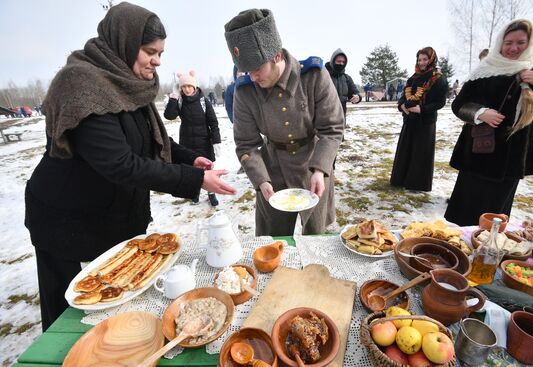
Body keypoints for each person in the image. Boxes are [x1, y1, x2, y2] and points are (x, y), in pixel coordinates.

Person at [24, 2, 236, 331]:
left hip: (108, 209)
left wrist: (186, 157)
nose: (157, 61)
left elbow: (147, 137)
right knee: (72, 313)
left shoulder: (126, 81)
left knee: (117, 293)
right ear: (124, 42)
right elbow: (121, 163)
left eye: (161, 53)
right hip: (64, 217)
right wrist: (194, 179)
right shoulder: (82, 85)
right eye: (150, 51)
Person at [224, 8, 344, 236]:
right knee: (273, 240)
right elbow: (246, 144)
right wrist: (261, 180)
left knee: (317, 237)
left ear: (276, 56)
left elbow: (331, 129)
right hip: (272, 170)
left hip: (313, 164)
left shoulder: (314, 76)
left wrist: (320, 169)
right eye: (246, 71)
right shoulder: (245, 92)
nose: (252, 77)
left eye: (257, 69)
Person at [445, 19, 533, 226]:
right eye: (508, 42)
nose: (513, 48)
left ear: (530, 43)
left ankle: (485, 252)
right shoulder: (486, 69)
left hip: (513, 157)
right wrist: (481, 113)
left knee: (494, 217)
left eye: (520, 42)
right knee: (465, 213)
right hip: (479, 152)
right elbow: (459, 104)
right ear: (500, 42)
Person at [390, 47, 448, 192]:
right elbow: (404, 94)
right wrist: (401, 105)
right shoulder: (413, 77)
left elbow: (440, 102)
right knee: (406, 150)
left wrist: (422, 109)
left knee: (420, 153)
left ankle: (416, 184)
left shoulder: (438, 79)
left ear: (432, 60)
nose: (422, 63)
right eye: (419, 59)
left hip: (425, 121)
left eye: (425, 59)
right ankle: (400, 179)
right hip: (409, 120)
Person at [164, 70, 222, 206]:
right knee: (191, 167)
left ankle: (211, 192)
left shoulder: (204, 101)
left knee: (207, 167)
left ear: (194, 86)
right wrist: (174, 97)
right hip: (187, 140)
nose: (187, 89)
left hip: (204, 141)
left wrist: (216, 140)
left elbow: (213, 122)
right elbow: (169, 115)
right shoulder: (180, 101)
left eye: (189, 86)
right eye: (183, 87)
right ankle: (194, 192)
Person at [325, 49, 361, 118]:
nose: (341, 64)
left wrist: (358, 97)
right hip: (325, 117)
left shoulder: (347, 78)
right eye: (339, 61)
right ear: (333, 61)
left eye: (343, 62)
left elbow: (355, 93)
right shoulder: (324, 76)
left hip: (341, 116)